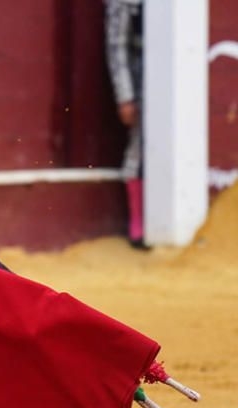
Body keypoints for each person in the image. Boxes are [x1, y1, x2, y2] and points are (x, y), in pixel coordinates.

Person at [104, 0, 146, 248]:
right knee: (139, 149)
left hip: (178, 74)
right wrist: (126, 95)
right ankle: (138, 226)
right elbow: (117, 45)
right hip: (142, 78)